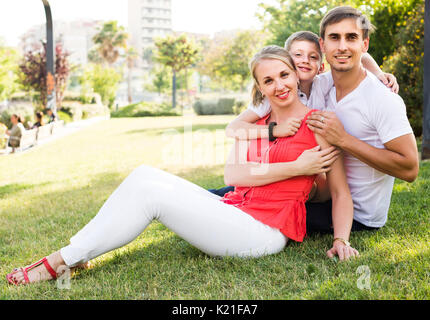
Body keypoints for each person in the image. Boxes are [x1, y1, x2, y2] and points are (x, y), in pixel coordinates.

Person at [6, 46, 358, 286]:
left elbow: (340, 193)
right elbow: (233, 176)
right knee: (144, 175)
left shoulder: (318, 125)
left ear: (297, 75)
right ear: (260, 88)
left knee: (150, 195)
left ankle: (64, 259)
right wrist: (298, 167)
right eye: (268, 80)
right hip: (235, 209)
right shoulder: (252, 125)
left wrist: (341, 239)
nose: (279, 85)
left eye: (284, 75)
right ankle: (79, 252)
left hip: (263, 233)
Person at [216, 6, 419, 234]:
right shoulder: (321, 85)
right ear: (324, 45)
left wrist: (344, 140)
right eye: (334, 38)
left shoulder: (382, 99)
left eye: (351, 37)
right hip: (313, 191)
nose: (342, 46)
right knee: (230, 192)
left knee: (246, 206)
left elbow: (410, 170)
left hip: (354, 213)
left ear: (364, 44)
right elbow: (236, 127)